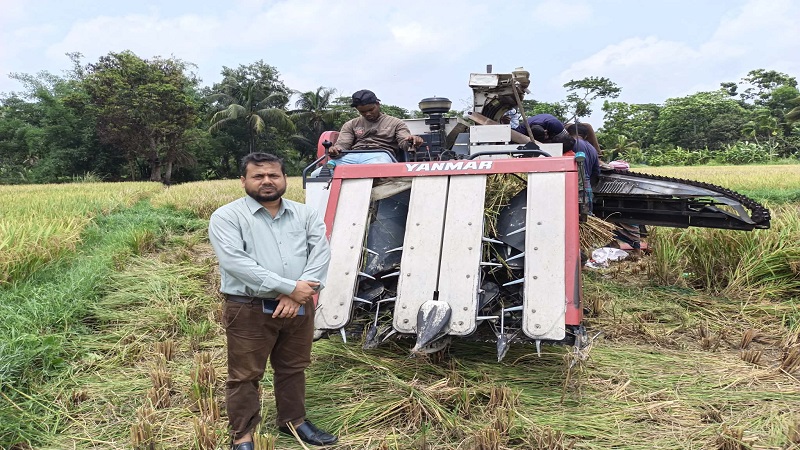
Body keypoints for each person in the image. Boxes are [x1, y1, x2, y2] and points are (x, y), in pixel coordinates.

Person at [208, 152, 336, 448]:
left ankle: (294, 422)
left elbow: (320, 254)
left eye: (274, 175)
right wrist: (291, 288)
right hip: (249, 308)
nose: (267, 181)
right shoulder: (227, 217)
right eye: (258, 176)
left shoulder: (306, 214)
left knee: (293, 367)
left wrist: (297, 293)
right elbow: (235, 262)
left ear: (284, 178)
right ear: (244, 180)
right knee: (244, 375)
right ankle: (242, 435)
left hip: (300, 305)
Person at [327, 89, 424, 164]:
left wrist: (412, 141)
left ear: (378, 104)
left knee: (376, 171)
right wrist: (336, 150)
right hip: (353, 156)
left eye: (371, 109)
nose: (368, 114)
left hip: (381, 155)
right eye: (363, 112)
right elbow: (343, 145)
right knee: (319, 174)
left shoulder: (396, 123)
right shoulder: (351, 124)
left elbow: (404, 142)